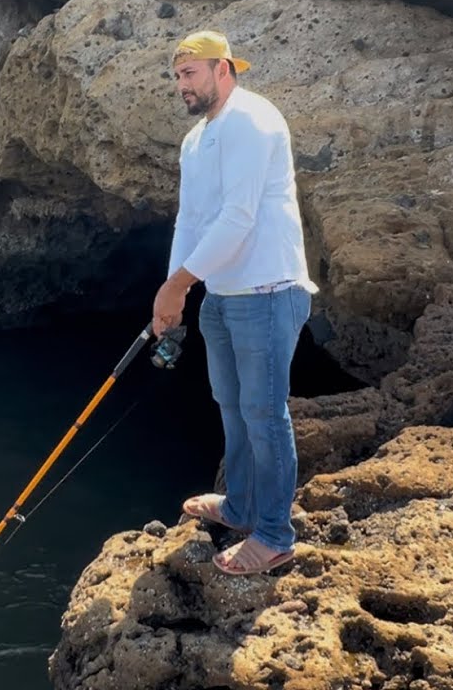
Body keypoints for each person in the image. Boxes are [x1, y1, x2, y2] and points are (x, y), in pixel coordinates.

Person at [151, 30, 318, 576]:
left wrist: (178, 285)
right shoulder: (195, 141)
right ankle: (242, 505)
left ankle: (274, 534)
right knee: (230, 403)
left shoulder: (251, 118)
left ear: (223, 69)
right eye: (177, 76)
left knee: (266, 415)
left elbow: (239, 218)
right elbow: (192, 220)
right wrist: (173, 290)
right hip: (221, 296)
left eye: (191, 72)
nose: (182, 84)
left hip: (268, 291)